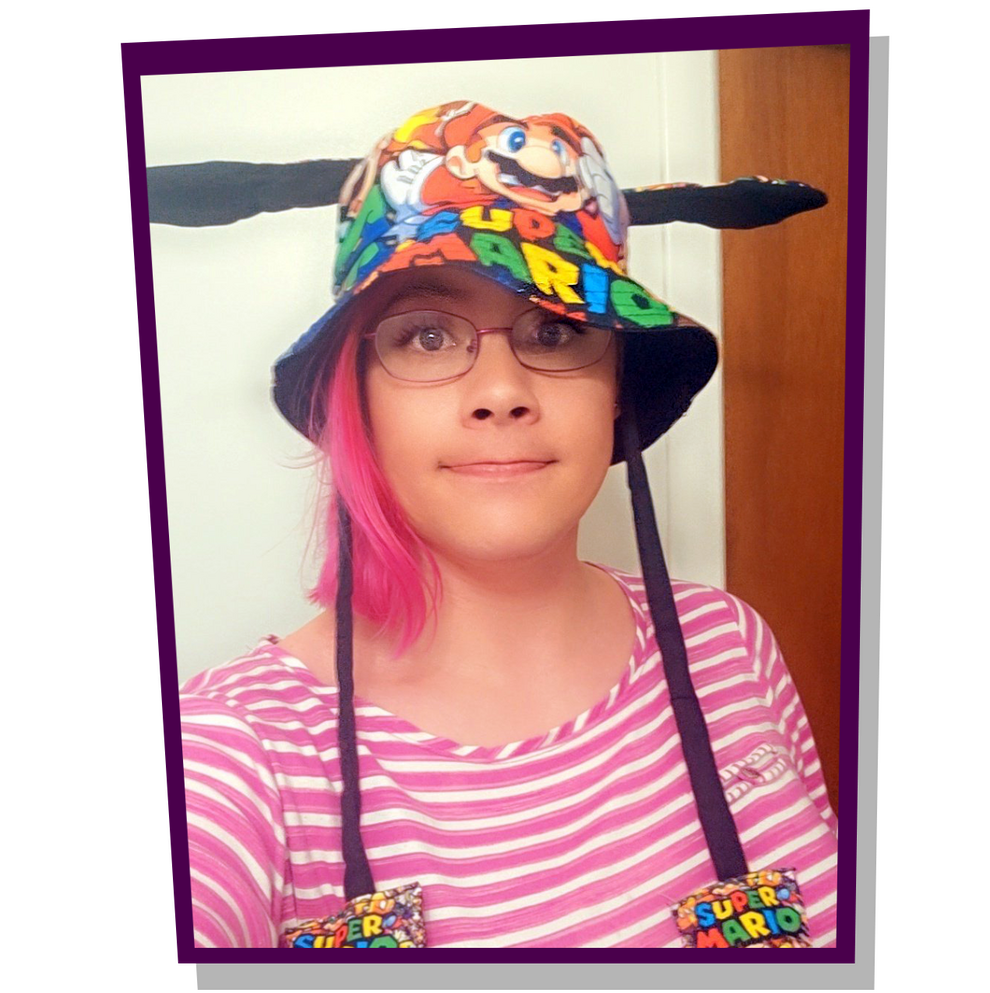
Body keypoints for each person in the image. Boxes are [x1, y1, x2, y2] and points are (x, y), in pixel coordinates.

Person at [176, 100, 838, 949]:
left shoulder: (729, 643)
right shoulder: (235, 752)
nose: (500, 391)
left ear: (617, 388)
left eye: (557, 330)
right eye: (425, 335)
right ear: (357, 401)